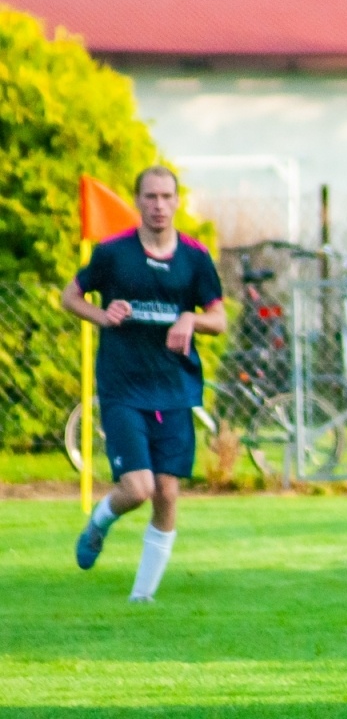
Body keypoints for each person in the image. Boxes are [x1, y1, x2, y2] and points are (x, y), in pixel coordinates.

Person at [63, 165, 227, 601]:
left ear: (177, 201)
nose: (159, 205)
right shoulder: (113, 253)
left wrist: (191, 318)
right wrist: (103, 316)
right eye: (150, 197)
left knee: (167, 494)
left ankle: (142, 597)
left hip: (174, 388)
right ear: (137, 201)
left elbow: (220, 318)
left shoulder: (194, 257)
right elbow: (69, 296)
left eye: (166, 197)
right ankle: (99, 522)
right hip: (124, 387)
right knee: (139, 488)